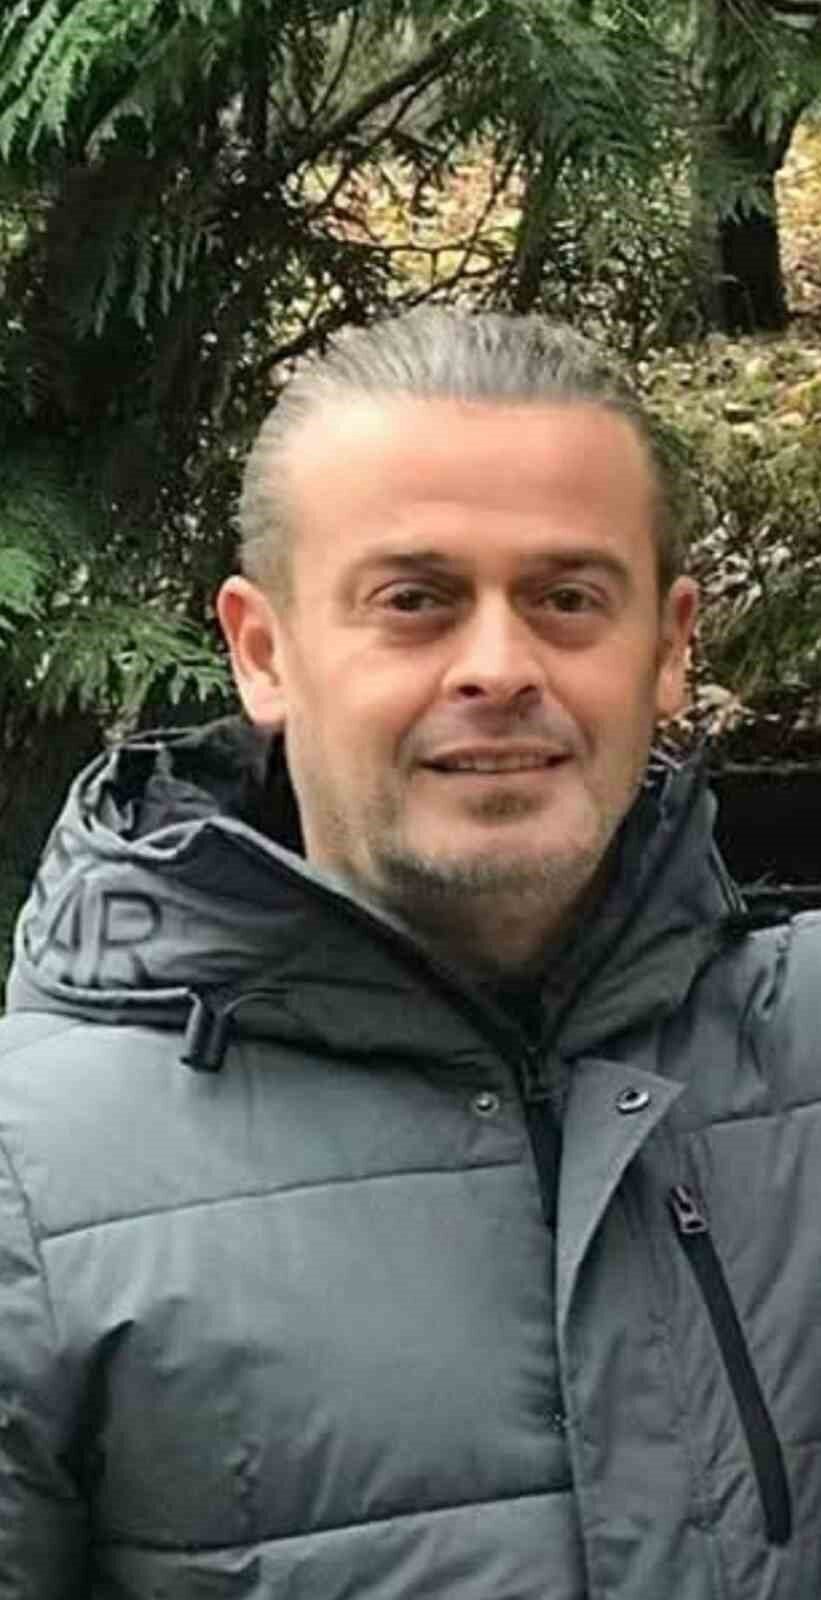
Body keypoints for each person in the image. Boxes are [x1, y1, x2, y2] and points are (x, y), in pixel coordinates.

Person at [0, 308, 817, 1600]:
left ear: (669, 647)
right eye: (414, 603)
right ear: (262, 651)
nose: (498, 667)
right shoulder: (36, 1183)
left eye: (565, 599)